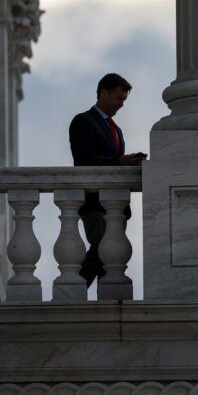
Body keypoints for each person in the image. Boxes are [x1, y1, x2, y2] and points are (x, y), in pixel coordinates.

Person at [69, 73, 146, 287]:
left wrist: (129, 163)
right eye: (119, 98)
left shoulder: (117, 131)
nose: (121, 105)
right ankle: (73, 290)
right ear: (104, 93)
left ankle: (102, 297)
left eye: (124, 100)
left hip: (113, 204)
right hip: (93, 202)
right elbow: (83, 159)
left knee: (109, 254)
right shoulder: (83, 121)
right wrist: (120, 161)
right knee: (104, 247)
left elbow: (112, 162)